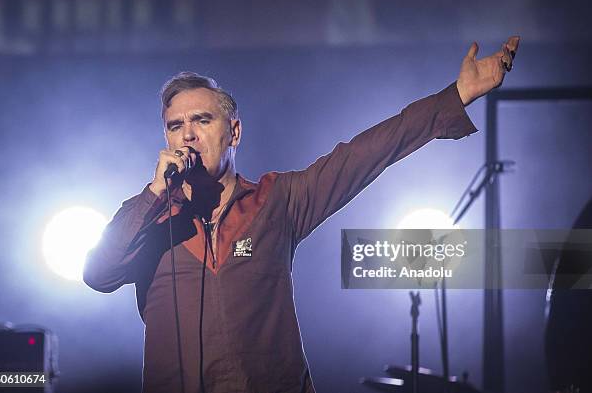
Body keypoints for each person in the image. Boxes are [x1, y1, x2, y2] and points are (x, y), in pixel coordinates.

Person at [83, 36, 520, 393]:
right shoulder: (150, 215)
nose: (188, 135)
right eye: (175, 126)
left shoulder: (278, 200)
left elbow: (364, 154)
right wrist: (157, 191)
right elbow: (99, 274)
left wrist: (457, 95)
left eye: (201, 120)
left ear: (234, 131)